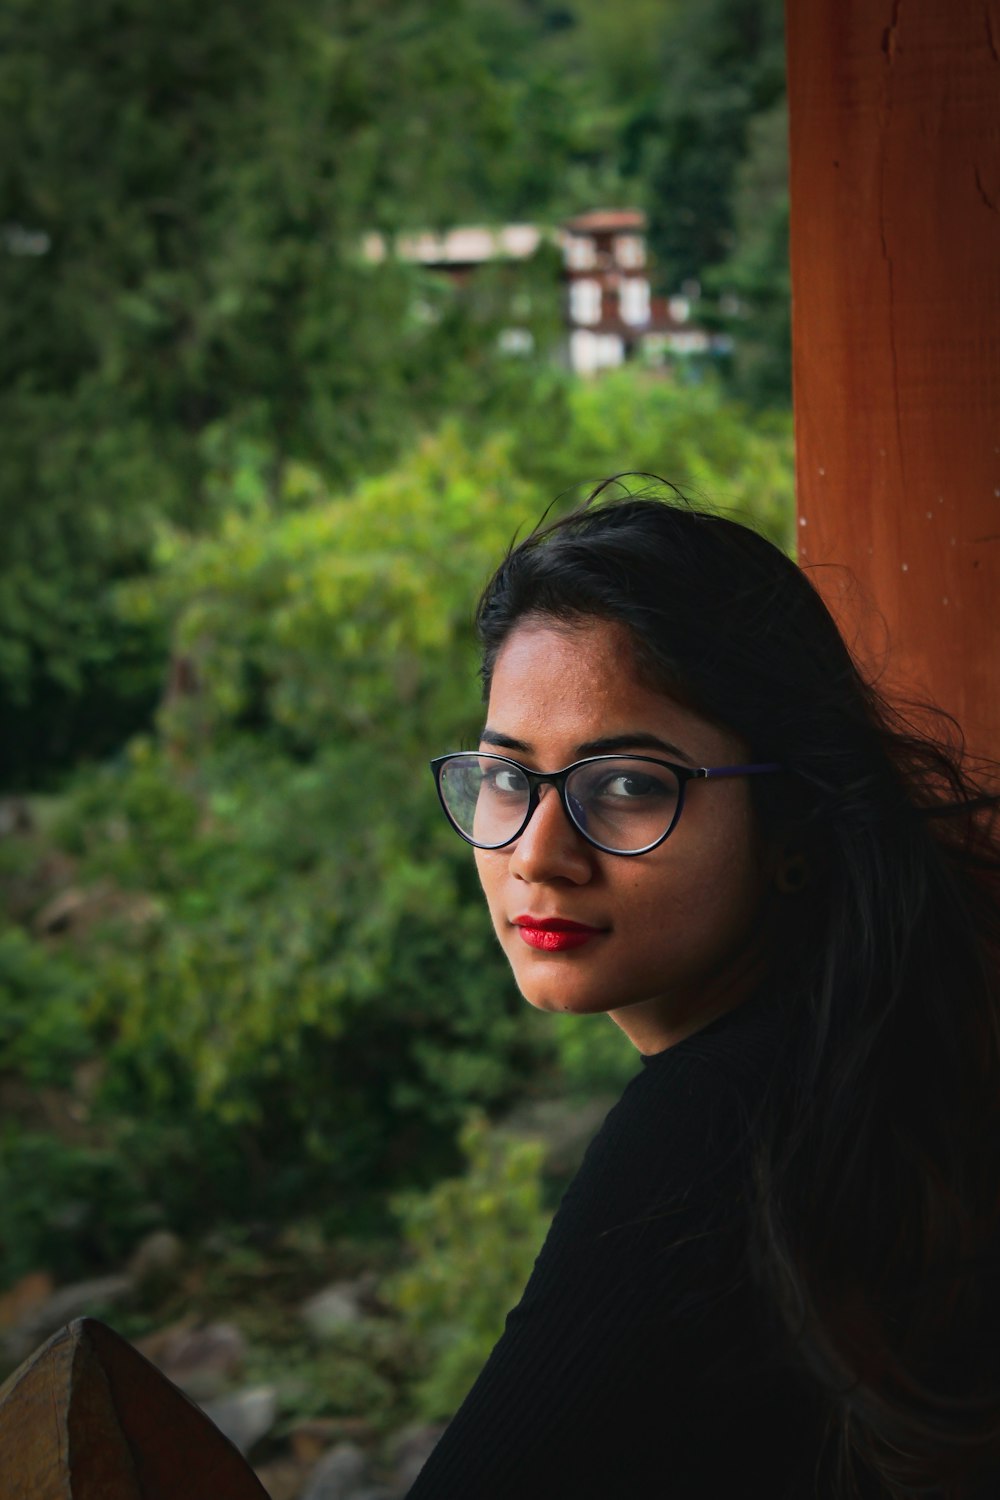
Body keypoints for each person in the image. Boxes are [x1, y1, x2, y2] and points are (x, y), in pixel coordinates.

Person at [408, 482, 1000, 1499]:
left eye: (629, 784)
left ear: (790, 819)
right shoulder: (867, 1042)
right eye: (509, 777)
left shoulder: (715, 1126)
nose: (537, 857)